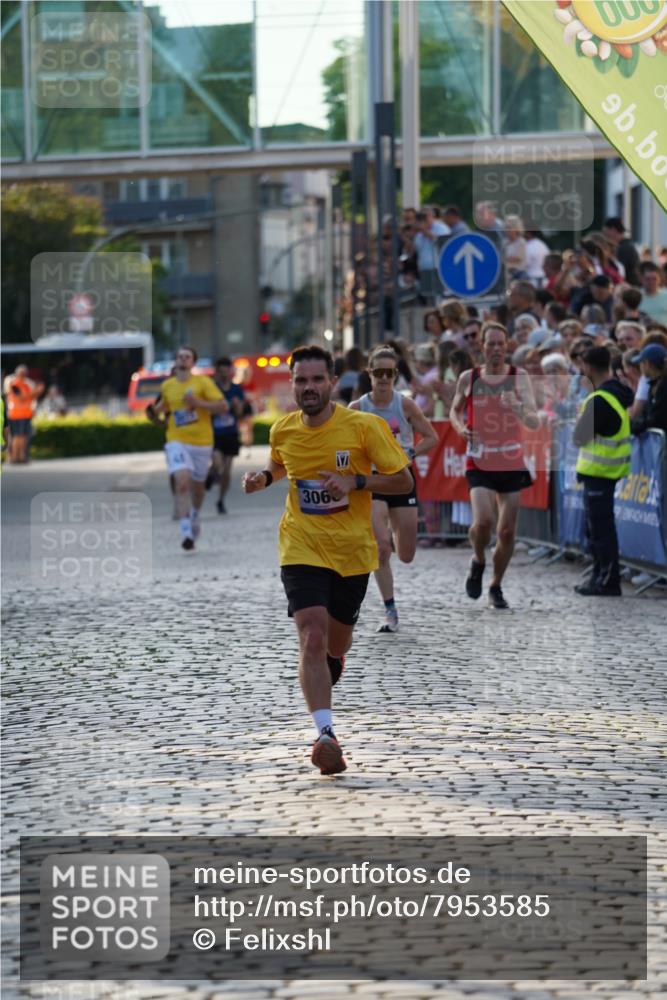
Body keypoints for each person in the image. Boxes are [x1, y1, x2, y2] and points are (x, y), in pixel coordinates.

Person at [242, 345, 413, 775]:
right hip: (300, 545)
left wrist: (356, 481)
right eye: (301, 380)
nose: (309, 387)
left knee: (335, 646)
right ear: (292, 383)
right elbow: (283, 466)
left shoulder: (364, 427)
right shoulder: (281, 429)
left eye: (318, 380)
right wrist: (263, 477)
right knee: (312, 637)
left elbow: (402, 480)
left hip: (353, 554)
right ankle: (325, 735)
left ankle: (334, 664)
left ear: (333, 383)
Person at [450, 323, 539, 609]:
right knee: (483, 522)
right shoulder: (470, 377)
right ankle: (478, 559)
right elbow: (454, 409)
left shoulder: (518, 377)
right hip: (480, 459)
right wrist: (461, 427)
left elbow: (534, 420)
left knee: (507, 532)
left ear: (507, 346)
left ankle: (496, 585)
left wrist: (517, 407)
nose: (497, 349)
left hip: (511, 460)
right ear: (483, 347)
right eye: (492, 344)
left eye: (502, 344)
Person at [350, 346, 438, 633]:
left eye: (389, 373)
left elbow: (432, 437)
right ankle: (390, 610)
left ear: (396, 375)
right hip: (373, 481)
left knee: (406, 553)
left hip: (402, 478)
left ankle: (392, 536)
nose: (384, 378)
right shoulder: (358, 409)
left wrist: (410, 452)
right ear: (370, 374)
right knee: (381, 549)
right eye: (378, 373)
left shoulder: (406, 405)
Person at [150, 346, 227, 550]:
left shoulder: (203, 382)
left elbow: (222, 406)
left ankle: (194, 516)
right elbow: (160, 410)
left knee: (198, 488)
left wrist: (197, 402)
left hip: (202, 443)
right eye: (180, 356)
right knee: (181, 481)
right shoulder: (168, 385)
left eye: (187, 357)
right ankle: (186, 532)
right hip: (176, 440)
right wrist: (152, 414)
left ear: (193, 362)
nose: (183, 359)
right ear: (176, 361)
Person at [572, 345, 633, 596]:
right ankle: (600, 576)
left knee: (601, 530)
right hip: (604, 473)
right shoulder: (616, 393)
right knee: (597, 529)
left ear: (587, 367)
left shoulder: (600, 399)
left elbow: (579, 437)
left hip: (600, 473)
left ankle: (607, 580)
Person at [208, 357, 247, 514]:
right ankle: (211, 475)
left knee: (227, 471)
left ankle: (221, 500)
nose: (224, 375)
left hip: (231, 433)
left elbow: (240, 414)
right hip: (214, 434)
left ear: (230, 372)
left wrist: (237, 407)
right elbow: (205, 410)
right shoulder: (211, 389)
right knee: (217, 463)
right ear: (216, 372)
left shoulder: (237, 390)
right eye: (221, 372)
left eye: (226, 371)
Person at [4, 365, 43, 464]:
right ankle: (14, 457)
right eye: (22, 373)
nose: (23, 375)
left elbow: (30, 398)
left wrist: (36, 392)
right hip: (16, 414)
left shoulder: (26, 384)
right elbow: (22, 397)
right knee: (17, 436)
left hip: (25, 414)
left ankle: (22, 457)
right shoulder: (13, 384)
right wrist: (37, 391)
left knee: (24, 436)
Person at [630, 344, 667, 435]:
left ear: (647, 364)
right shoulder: (654, 384)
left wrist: (635, 427)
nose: (640, 367)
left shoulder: (664, 386)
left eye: (641, 363)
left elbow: (658, 418)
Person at [602, 217, 641, 286]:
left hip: (627, 289)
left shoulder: (623, 249)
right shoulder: (627, 246)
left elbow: (617, 272)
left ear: (613, 230)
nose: (605, 237)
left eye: (606, 234)